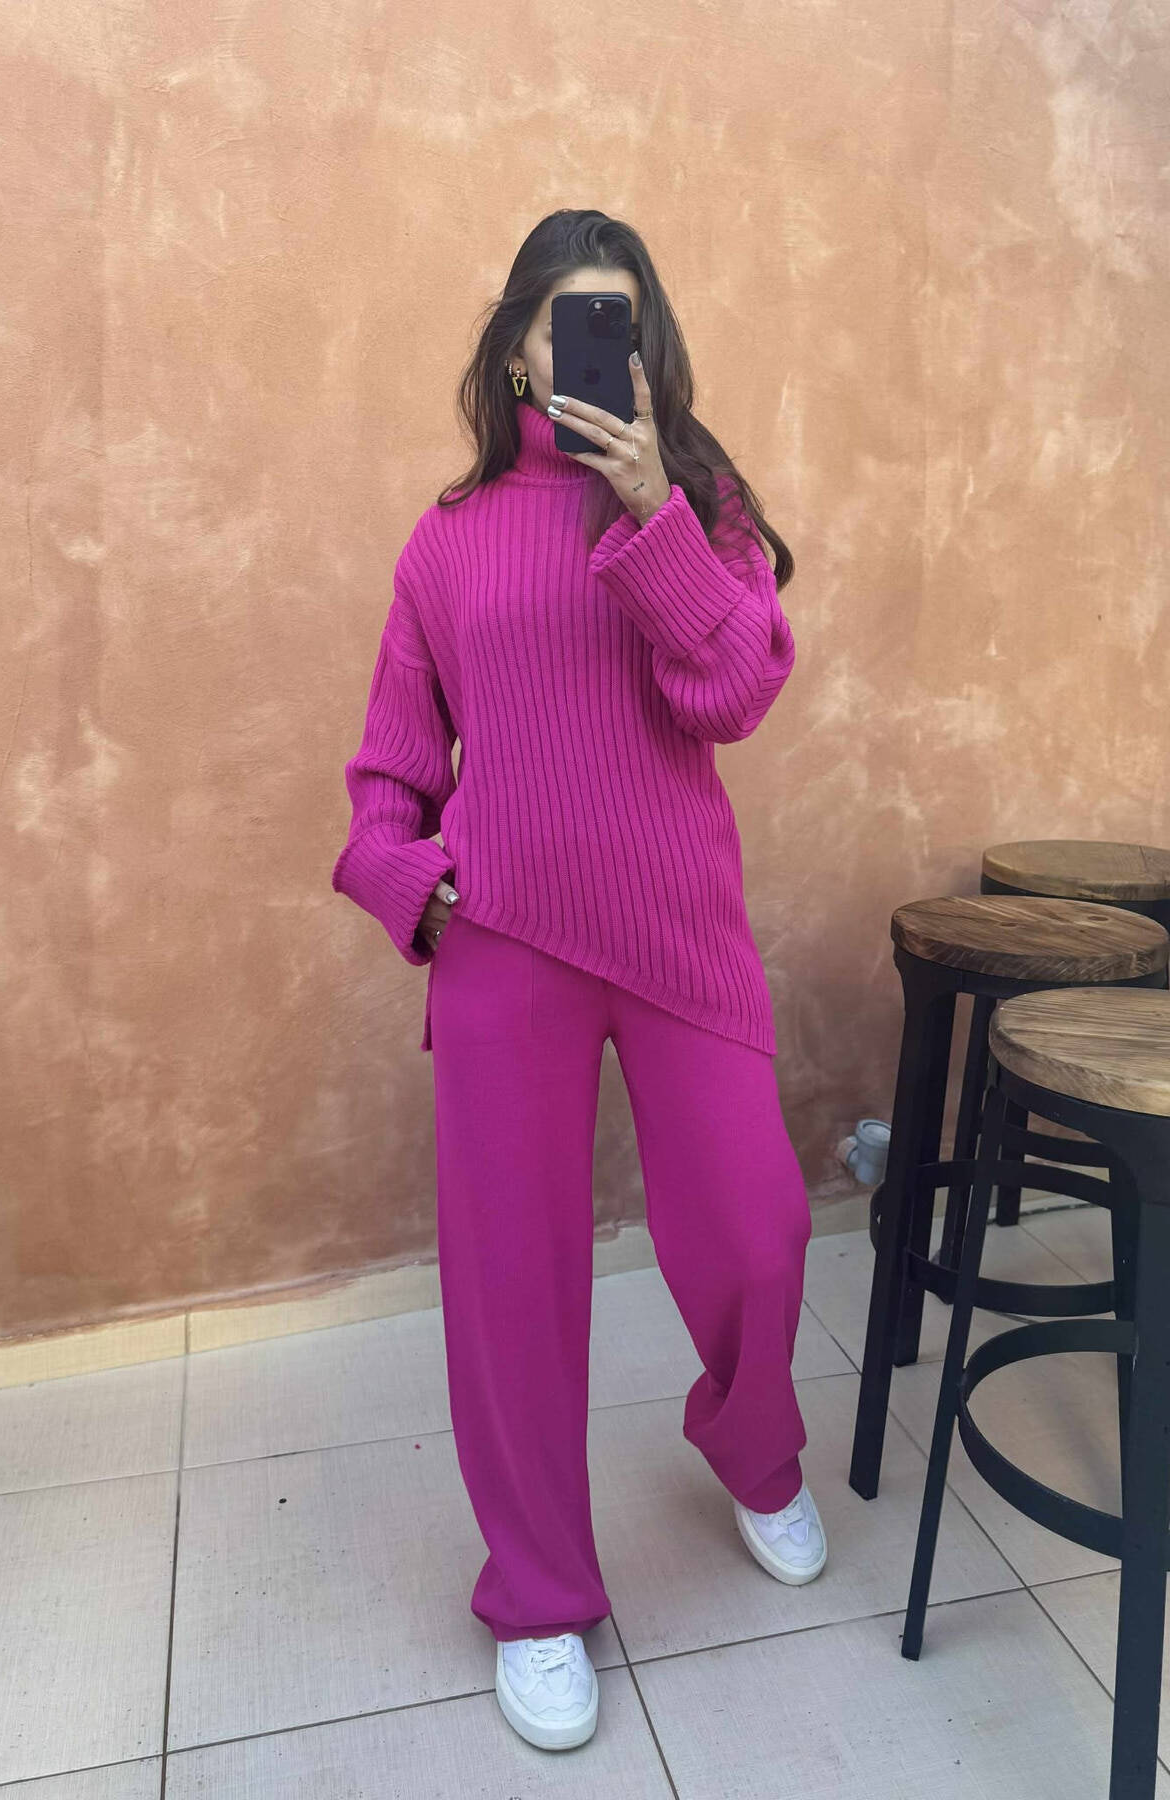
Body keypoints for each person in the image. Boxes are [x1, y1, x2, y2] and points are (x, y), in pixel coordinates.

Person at [331, 210, 824, 1754]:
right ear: (519, 354)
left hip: (675, 930)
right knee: (512, 1281)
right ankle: (540, 1592)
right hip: (506, 948)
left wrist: (654, 508)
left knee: (756, 1224)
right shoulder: (447, 541)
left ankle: (754, 1448)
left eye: (617, 319)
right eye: (564, 320)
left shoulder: (700, 509)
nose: (588, 345)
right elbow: (387, 775)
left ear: (644, 348)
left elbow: (733, 690)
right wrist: (414, 881)